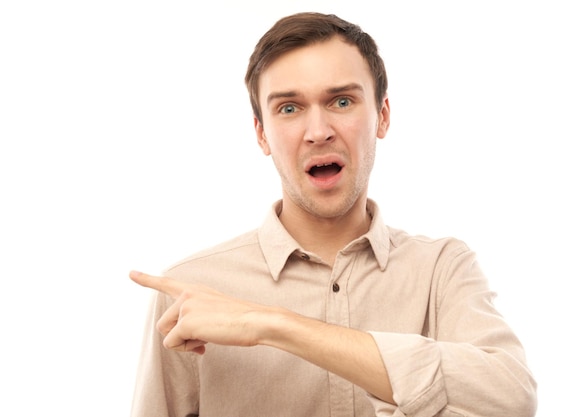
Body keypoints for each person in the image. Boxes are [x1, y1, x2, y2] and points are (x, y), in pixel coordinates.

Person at [130, 11, 537, 417]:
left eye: (342, 101)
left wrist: (273, 325)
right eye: (289, 108)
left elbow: (511, 399)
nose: (318, 130)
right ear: (261, 134)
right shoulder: (190, 291)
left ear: (382, 115)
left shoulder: (441, 270)